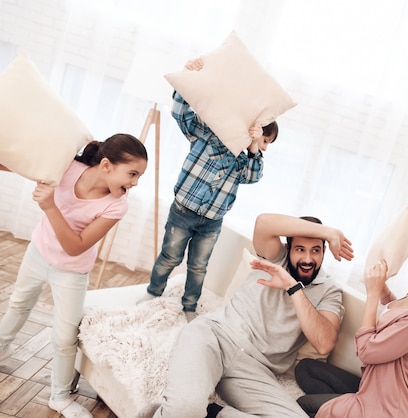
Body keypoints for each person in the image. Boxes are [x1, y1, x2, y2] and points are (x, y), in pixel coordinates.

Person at [149, 213, 354, 418]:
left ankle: (215, 414)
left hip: (254, 370)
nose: (308, 259)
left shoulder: (329, 291)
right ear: (288, 248)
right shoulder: (276, 257)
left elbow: (324, 343)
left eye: (315, 250)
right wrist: (329, 232)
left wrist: (294, 287)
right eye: (300, 249)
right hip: (215, 336)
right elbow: (264, 222)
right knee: (185, 410)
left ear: (324, 251)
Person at [0, 134, 148, 418]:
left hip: (71, 272)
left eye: (138, 176)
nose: (134, 183)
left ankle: (59, 396)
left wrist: (49, 206)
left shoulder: (116, 205)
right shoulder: (68, 168)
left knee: (65, 337)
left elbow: (75, 247)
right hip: (37, 252)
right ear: (106, 165)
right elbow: (25, 164)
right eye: (132, 174)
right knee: (18, 305)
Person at [138, 58, 280, 322]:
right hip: (183, 210)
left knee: (198, 266)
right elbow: (181, 112)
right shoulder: (208, 135)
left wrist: (252, 150)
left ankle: (189, 306)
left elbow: (253, 176)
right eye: (265, 141)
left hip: (212, 220)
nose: (265, 147)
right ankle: (153, 291)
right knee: (170, 256)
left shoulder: (246, 160)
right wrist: (187, 80)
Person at [294, 228, 408, 417]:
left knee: (303, 405)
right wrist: (383, 291)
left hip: (390, 409)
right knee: (307, 368)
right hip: (373, 388)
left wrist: (372, 295)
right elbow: (400, 318)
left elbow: (366, 352)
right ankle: (351, 402)